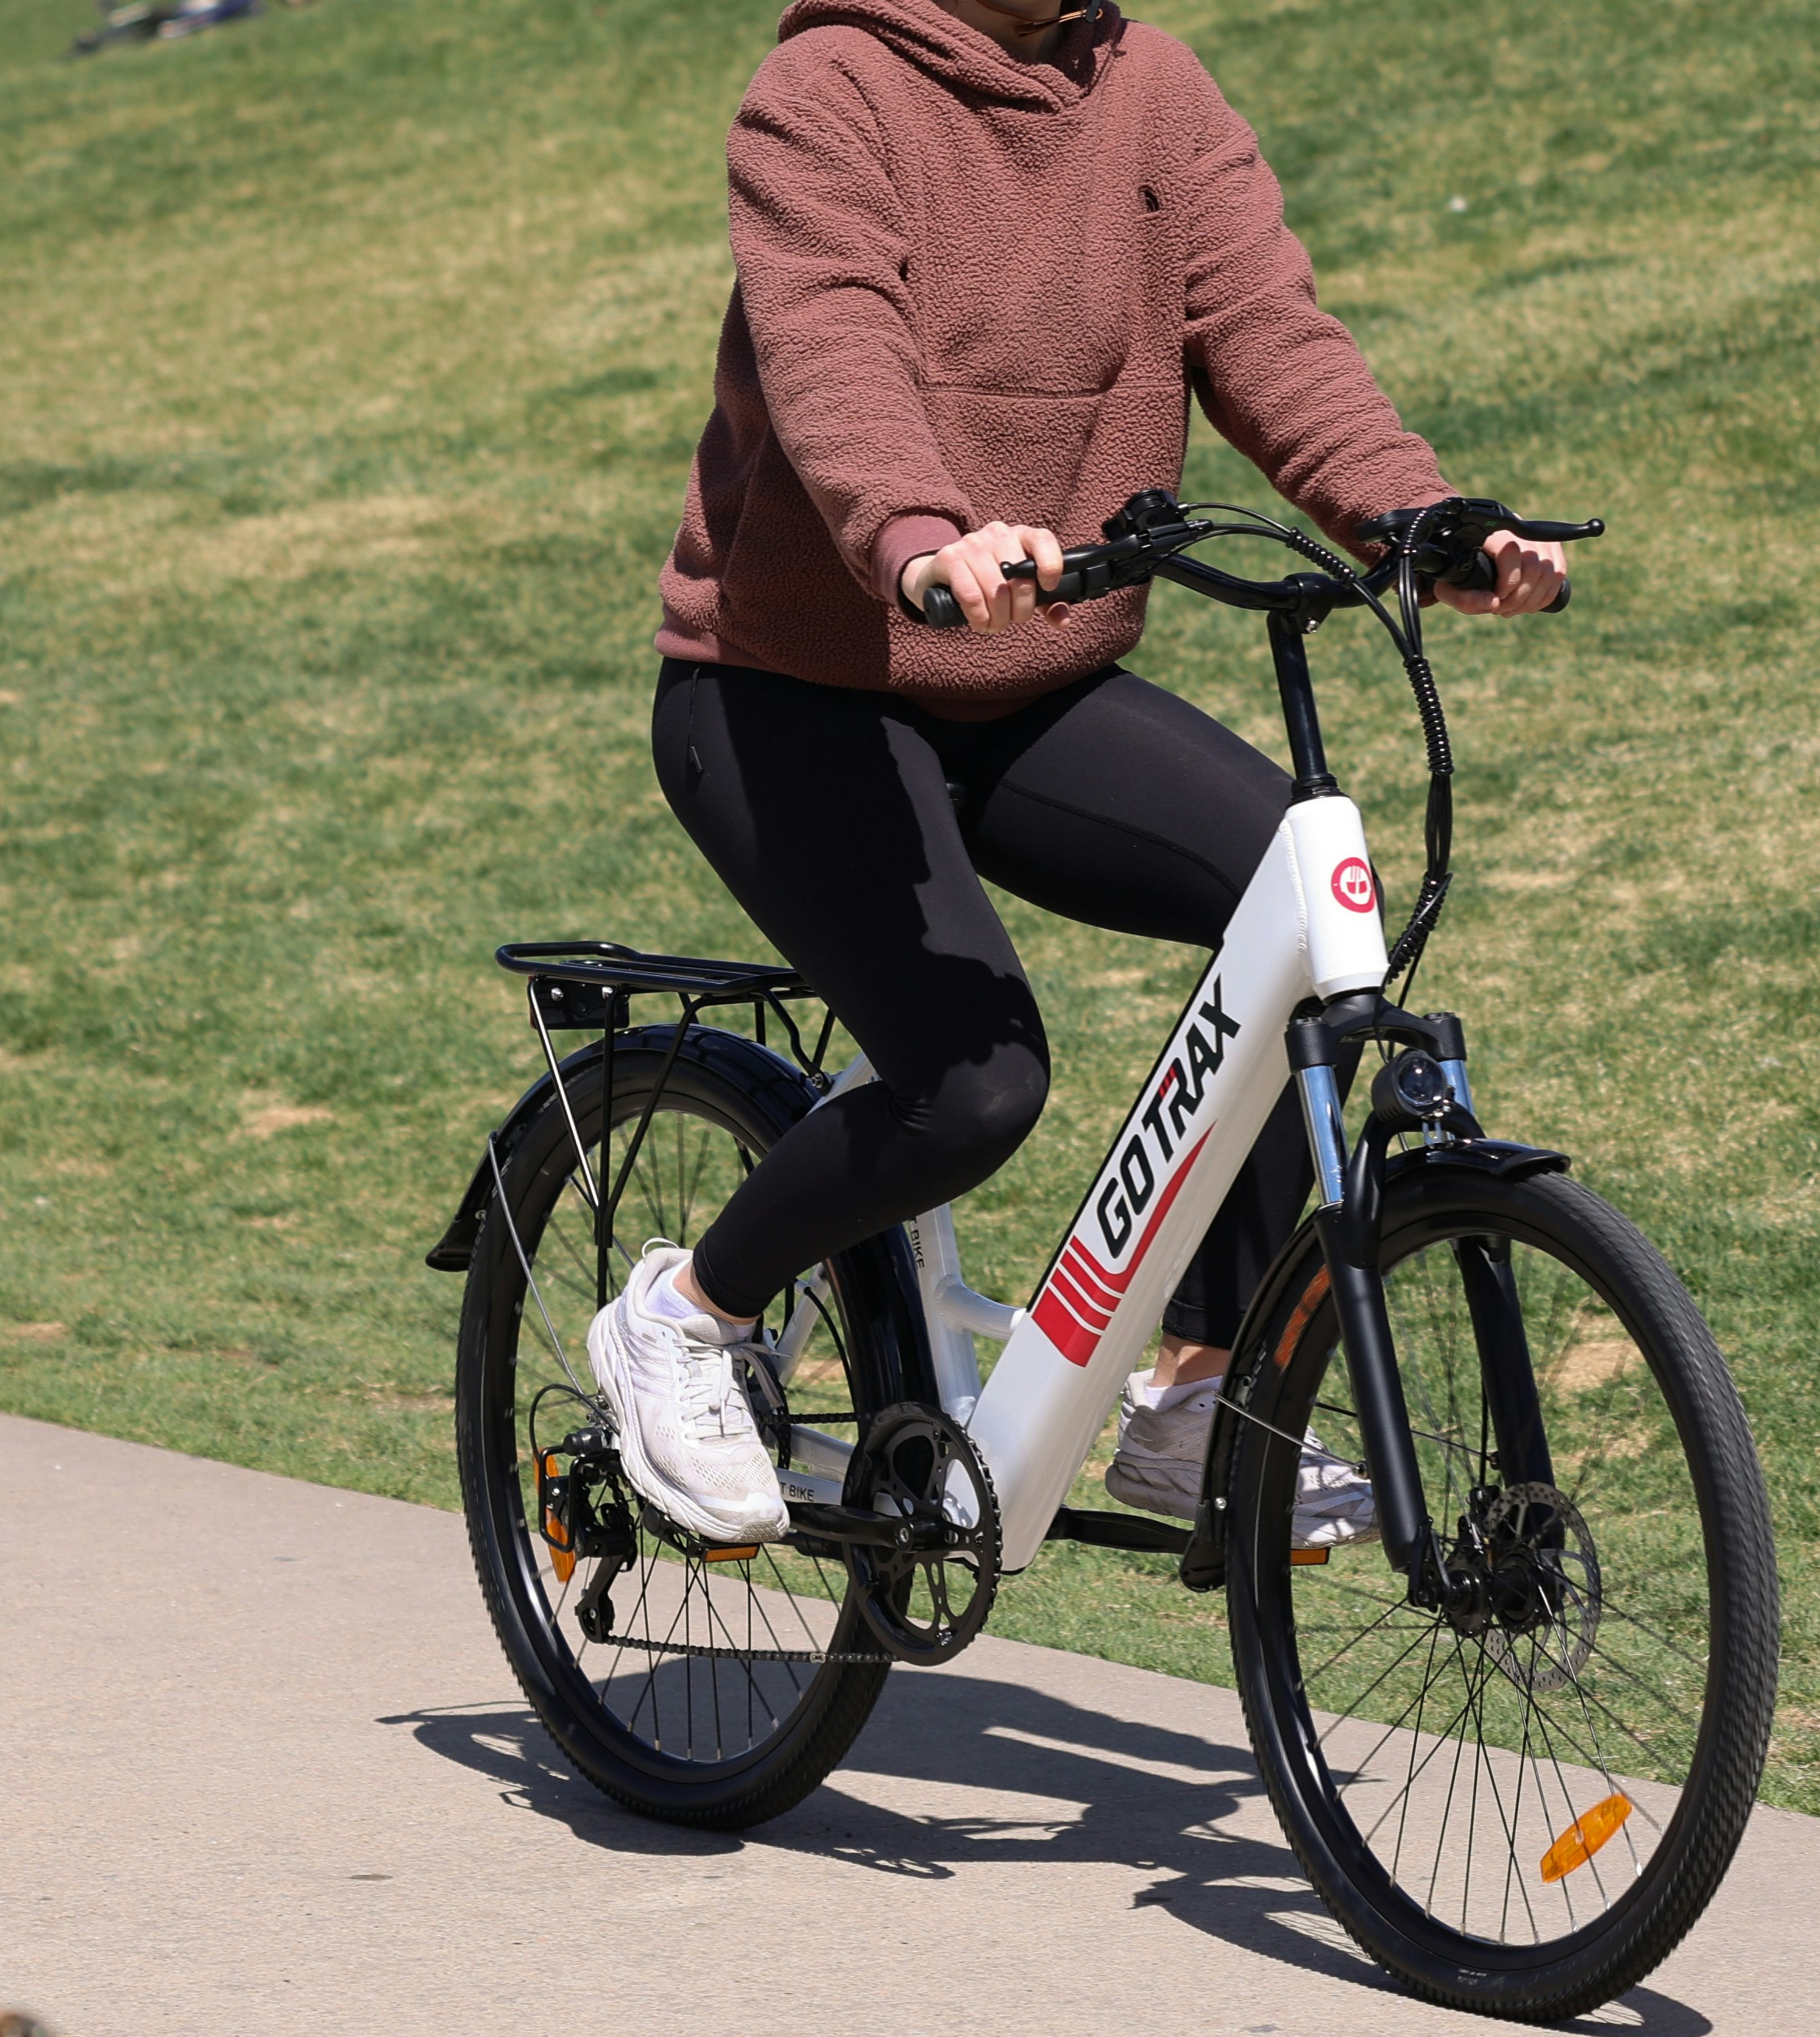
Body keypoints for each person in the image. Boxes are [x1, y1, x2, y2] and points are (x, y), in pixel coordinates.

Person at [587, 0, 1567, 1548]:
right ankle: (686, 1314)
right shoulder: (824, 93)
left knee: (1299, 909)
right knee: (973, 1078)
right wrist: (920, 532)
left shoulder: (1148, 91)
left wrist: (1413, 518)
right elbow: (833, 347)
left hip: (1028, 675)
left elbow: (1265, 330)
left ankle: (1191, 1394)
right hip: (789, 690)